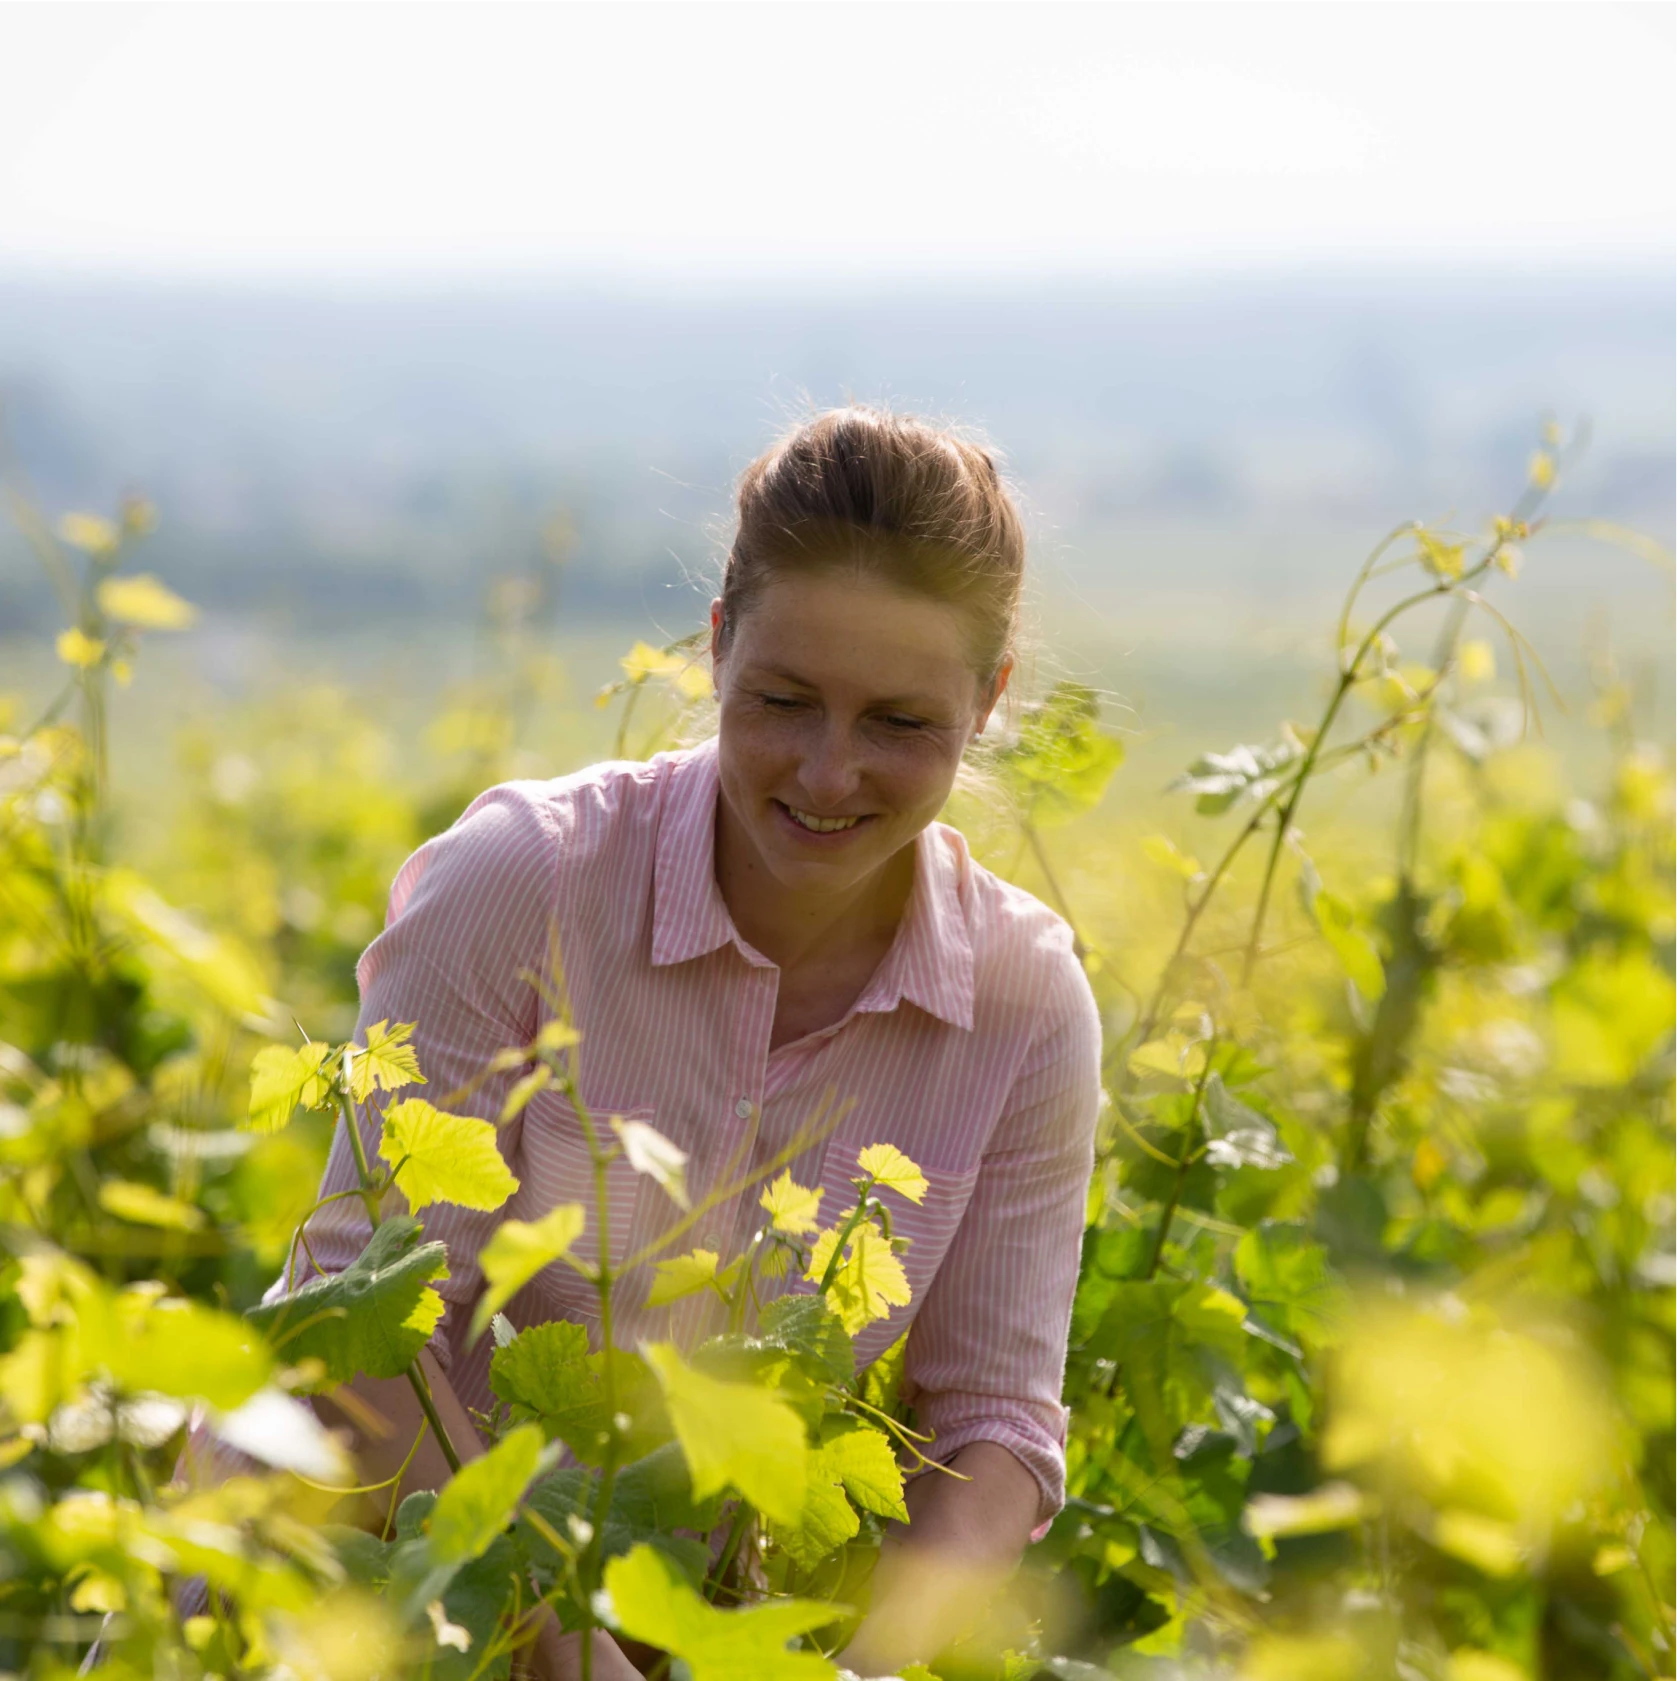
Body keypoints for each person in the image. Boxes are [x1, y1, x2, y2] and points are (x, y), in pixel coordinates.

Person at [305, 407, 1102, 1677]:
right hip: (367, 1606)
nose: (828, 772)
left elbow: (995, 1424)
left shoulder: (1022, 1002)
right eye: (785, 700)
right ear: (718, 645)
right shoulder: (526, 882)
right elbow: (354, 1318)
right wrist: (553, 1634)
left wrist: (864, 1669)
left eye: (899, 723)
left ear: (990, 702)